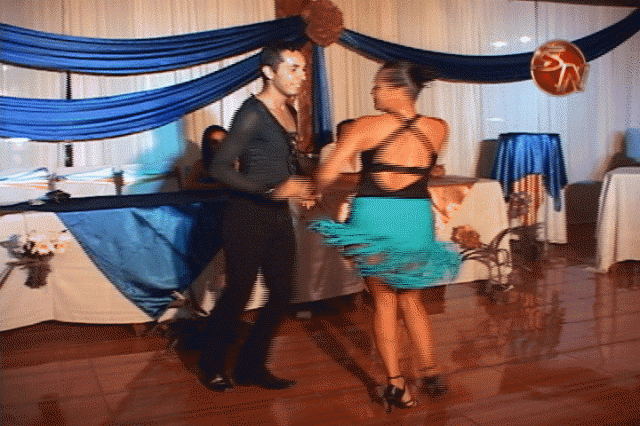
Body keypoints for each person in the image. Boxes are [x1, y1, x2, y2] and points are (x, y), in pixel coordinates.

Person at [308, 61, 461, 411]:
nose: (373, 92)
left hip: (375, 218)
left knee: (384, 301)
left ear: (398, 90)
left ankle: (395, 385)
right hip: (415, 218)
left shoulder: (365, 126)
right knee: (412, 298)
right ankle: (430, 371)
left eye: (378, 86)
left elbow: (327, 173)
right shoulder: (439, 128)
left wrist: (312, 189)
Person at [198, 40, 314, 392]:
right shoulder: (251, 112)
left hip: (277, 216)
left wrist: (304, 185)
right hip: (246, 214)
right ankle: (211, 365)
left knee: (282, 294)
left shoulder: (289, 110)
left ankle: (251, 366)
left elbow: (287, 161)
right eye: (293, 69)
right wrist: (271, 190)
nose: (302, 76)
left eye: (304, 69)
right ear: (268, 71)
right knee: (239, 294)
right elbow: (219, 167)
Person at [182, 125, 227, 189]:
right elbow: (187, 184)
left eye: (224, 140)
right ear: (207, 145)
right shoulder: (201, 164)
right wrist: (215, 186)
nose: (220, 145)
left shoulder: (229, 163)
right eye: (214, 142)